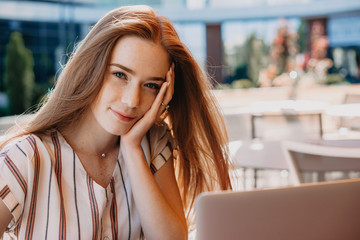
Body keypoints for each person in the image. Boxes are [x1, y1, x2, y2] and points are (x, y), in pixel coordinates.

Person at [0, 5, 232, 240]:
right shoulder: (24, 158)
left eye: (151, 85)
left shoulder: (152, 144)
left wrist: (132, 148)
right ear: (90, 69)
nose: (132, 101)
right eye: (120, 75)